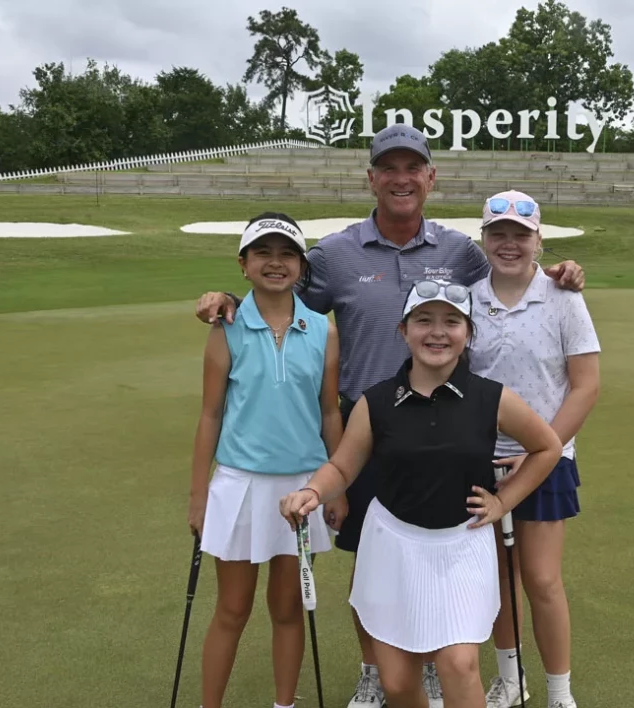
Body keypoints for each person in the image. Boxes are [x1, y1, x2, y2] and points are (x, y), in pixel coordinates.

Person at [194, 124, 586, 708]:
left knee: (442, 540)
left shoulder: (461, 252)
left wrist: (558, 275)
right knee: (374, 555)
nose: (401, 178)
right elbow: (278, 290)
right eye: (388, 168)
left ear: (430, 177)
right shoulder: (334, 255)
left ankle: (431, 665)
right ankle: (377, 669)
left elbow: (508, 276)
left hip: (453, 422)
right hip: (369, 419)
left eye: (413, 168)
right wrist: (225, 299)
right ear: (372, 177)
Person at [278, 279, 565, 708]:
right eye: (423, 320)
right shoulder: (375, 402)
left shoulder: (491, 397)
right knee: (396, 681)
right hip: (392, 545)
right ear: (404, 330)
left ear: (468, 334)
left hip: (462, 545)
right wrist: (313, 491)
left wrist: (504, 500)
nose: (437, 332)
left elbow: (548, 447)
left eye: (452, 322)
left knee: (459, 665)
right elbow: (342, 465)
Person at [188, 213, 342, 708]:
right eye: (263, 253)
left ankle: (284, 704)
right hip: (238, 484)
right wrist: (198, 496)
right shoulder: (226, 329)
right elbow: (210, 415)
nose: (275, 263)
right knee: (232, 609)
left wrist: (335, 487)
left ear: (301, 265)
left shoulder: (322, 330)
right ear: (243, 264)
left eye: (287, 254)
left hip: (302, 484)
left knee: (288, 607)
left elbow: (329, 411)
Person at [469, 192, 601, 708]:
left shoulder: (563, 296)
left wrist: (542, 448)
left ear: (538, 241)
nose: (508, 244)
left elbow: (585, 385)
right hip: (482, 460)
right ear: (483, 240)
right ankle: (509, 677)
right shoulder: (467, 297)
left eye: (520, 236)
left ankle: (559, 692)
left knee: (542, 581)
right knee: (499, 581)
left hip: (548, 458)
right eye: (497, 234)